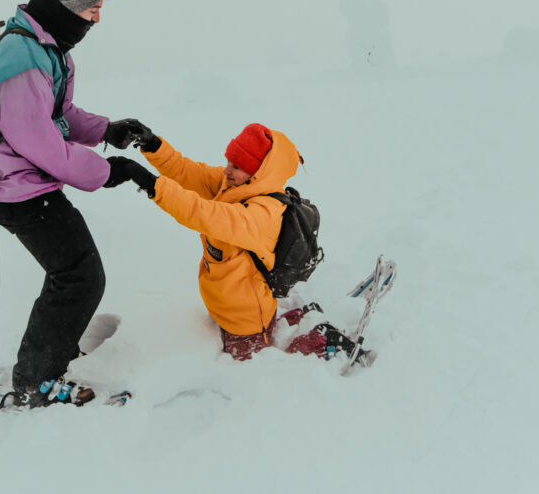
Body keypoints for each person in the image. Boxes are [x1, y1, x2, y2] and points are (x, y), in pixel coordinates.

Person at [0, 0, 146, 408]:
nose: (96, 19)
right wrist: (110, 172)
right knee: (78, 276)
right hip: (15, 188)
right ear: (66, 8)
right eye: (92, 9)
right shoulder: (18, 58)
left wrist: (107, 130)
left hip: (31, 182)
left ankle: (49, 356)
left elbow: (58, 117)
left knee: (76, 273)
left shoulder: (46, 50)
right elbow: (43, 146)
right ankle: (35, 379)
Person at [105, 122, 366, 362]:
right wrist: (151, 143)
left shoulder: (261, 215)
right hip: (227, 304)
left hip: (246, 319)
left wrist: (143, 178)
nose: (226, 171)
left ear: (257, 172)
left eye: (236, 166)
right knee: (259, 345)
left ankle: (319, 341)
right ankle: (295, 317)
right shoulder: (233, 184)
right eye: (229, 162)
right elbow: (187, 172)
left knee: (261, 366)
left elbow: (202, 214)